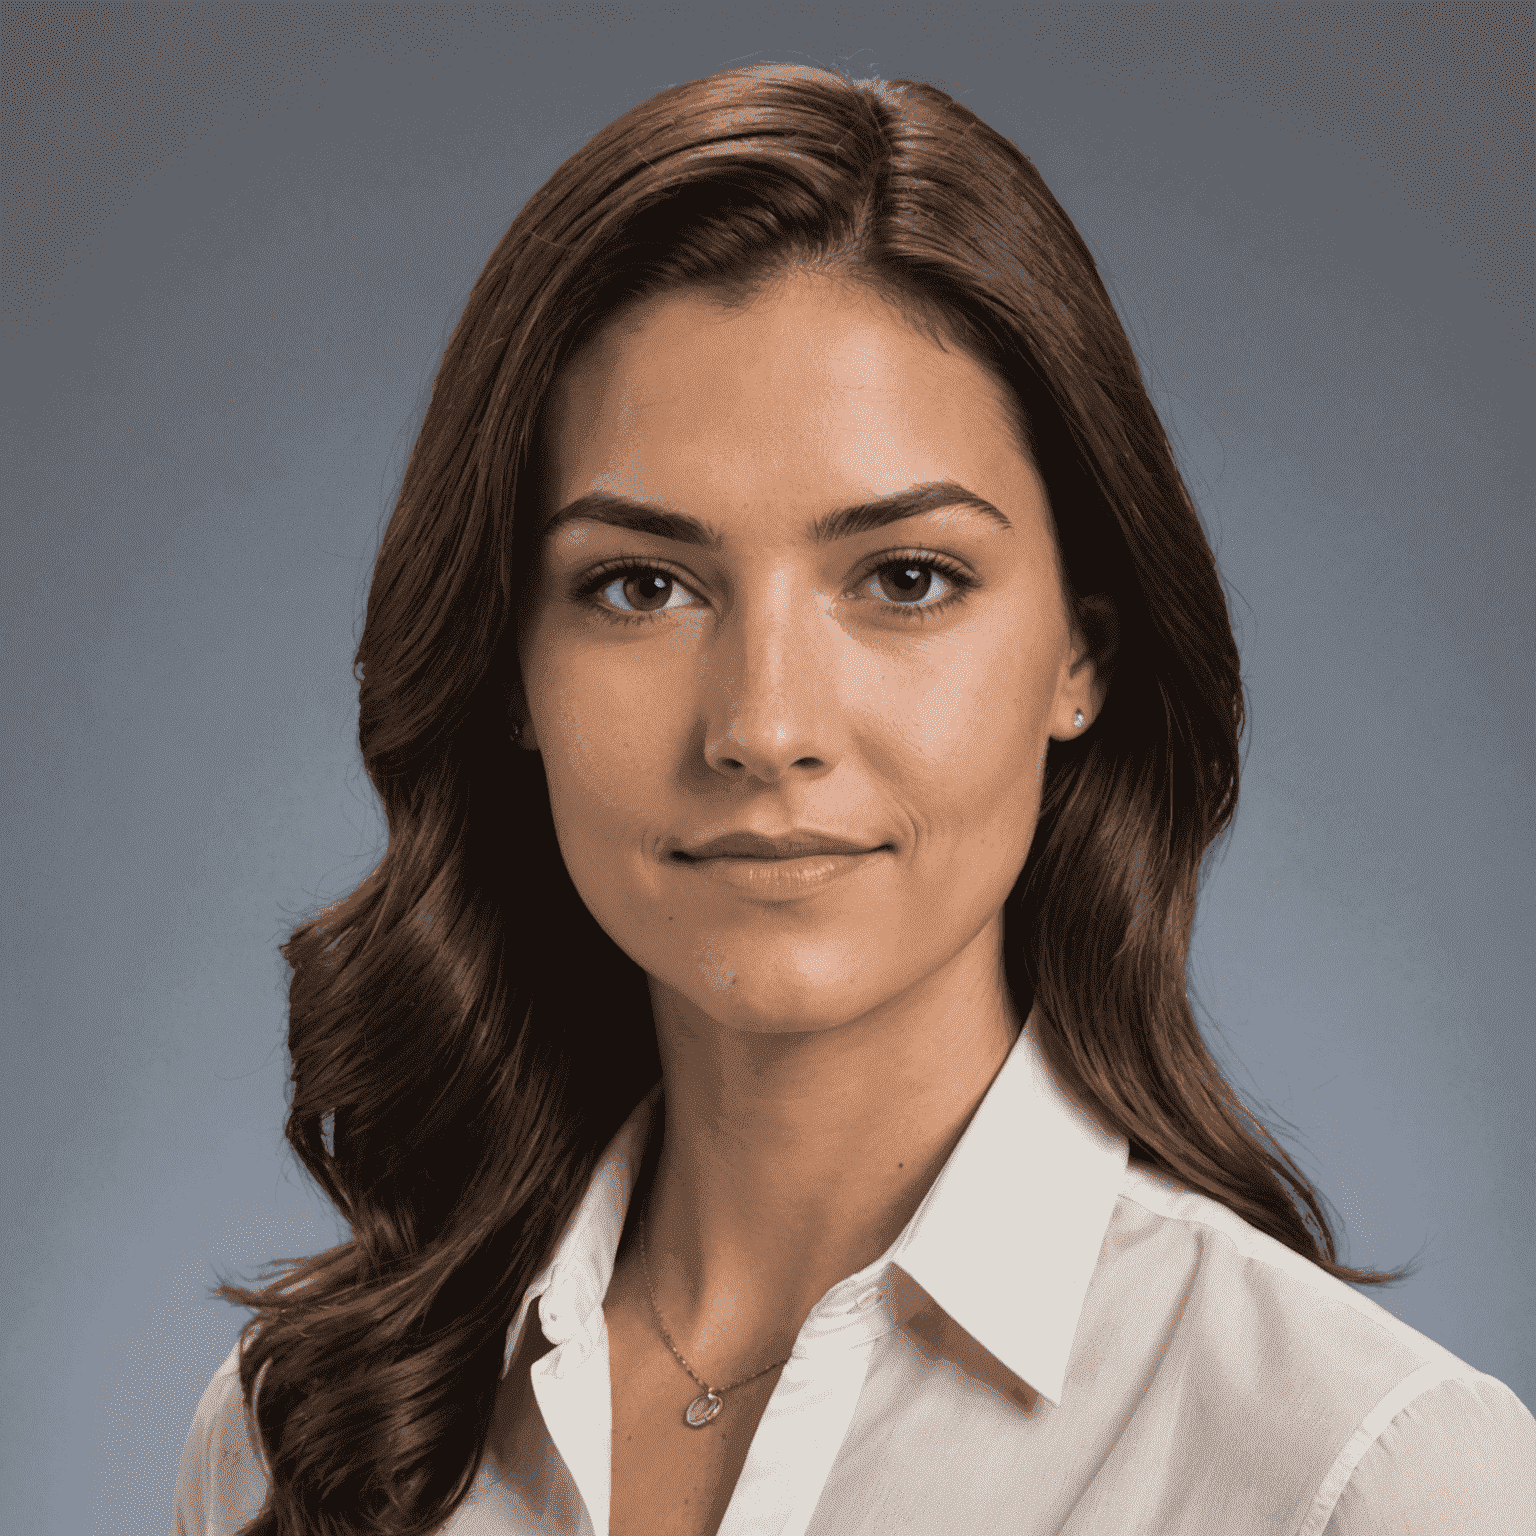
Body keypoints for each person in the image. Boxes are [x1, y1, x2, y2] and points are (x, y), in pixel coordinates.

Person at [173, 63, 1533, 1536]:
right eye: (642, 585)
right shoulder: (296, 1432)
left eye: (905, 580)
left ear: (1081, 653)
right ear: (510, 667)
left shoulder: (1364, 1476)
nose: (763, 726)